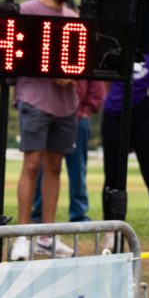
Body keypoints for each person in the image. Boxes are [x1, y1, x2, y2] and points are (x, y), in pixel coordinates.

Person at [9, 0, 82, 261]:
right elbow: (17, 50)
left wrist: (71, 74)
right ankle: (23, 236)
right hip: (35, 98)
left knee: (54, 166)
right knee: (32, 163)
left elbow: (81, 58)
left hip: (65, 103)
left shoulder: (73, 17)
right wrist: (50, 71)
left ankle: (46, 237)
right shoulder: (28, 11)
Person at [100, 54, 149, 253]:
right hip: (115, 112)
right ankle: (110, 232)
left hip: (147, 112)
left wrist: (146, 101)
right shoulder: (121, 38)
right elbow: (107, 80)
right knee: (112, 177)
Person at [31, 77, 104, 224]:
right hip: (48, 112)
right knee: (43, 167)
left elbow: (96, 81)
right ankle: (38, 214)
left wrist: (87, 109)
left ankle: (79, 214)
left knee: (77, 168)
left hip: (78, 116)